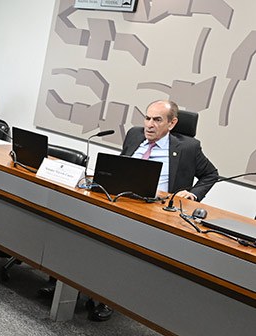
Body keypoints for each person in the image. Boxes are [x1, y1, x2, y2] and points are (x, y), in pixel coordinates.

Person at [85, 99, 219, 322]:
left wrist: (192, 194)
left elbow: (211, 174)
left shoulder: (187, 148)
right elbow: (121, 165)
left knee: (121, 247)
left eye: (157, 120)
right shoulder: (134, 135)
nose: (149, 124)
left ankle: (107, 297)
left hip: (156, 211)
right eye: (147, 118)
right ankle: (65, 280)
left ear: (172, 123)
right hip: (121, 201)